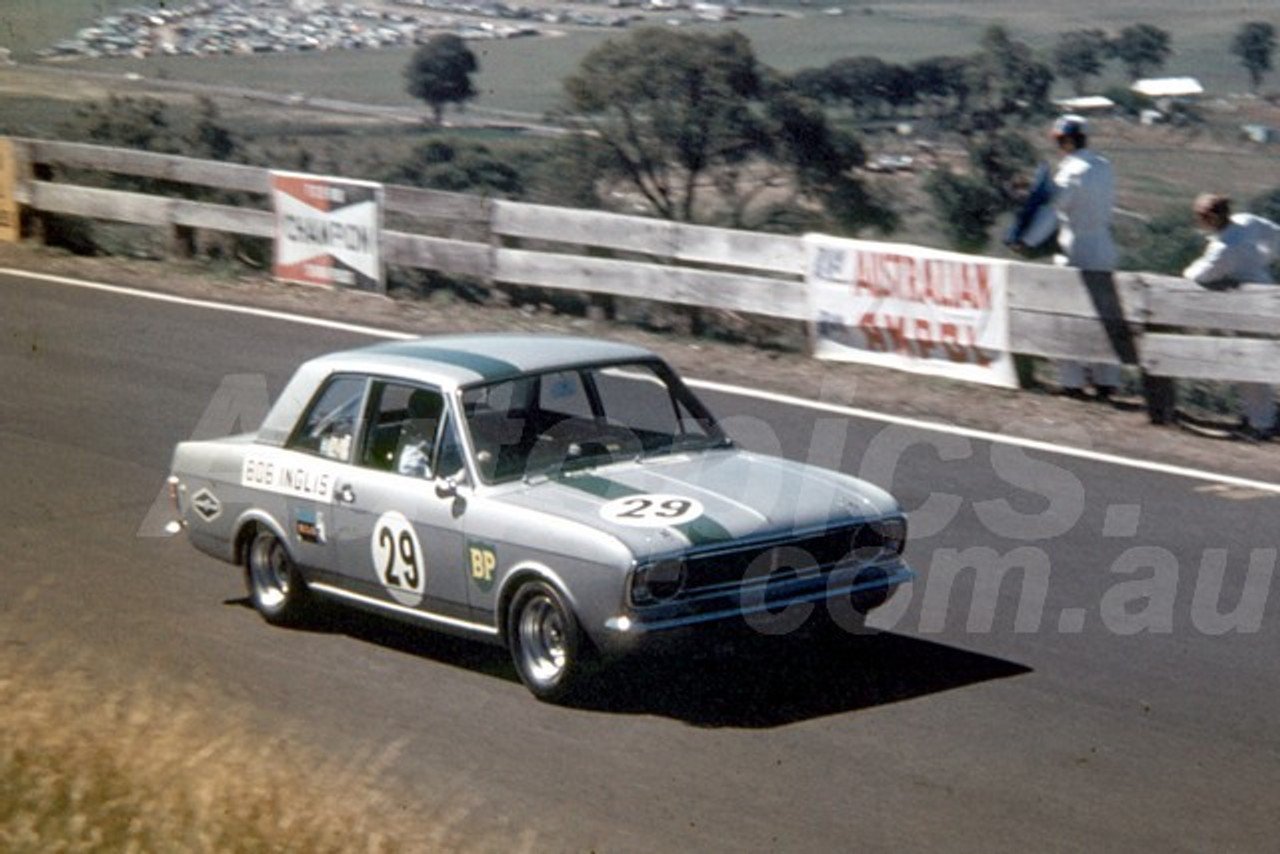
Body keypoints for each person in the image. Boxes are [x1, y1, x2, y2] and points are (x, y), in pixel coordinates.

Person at [1183, 193, 1280, 439]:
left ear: (1212, 217)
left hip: (1248, 308)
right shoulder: (1246, 222)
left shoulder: (1224, 249)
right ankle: (1260, 417)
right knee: (1257, 363)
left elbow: (1199, 276)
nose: (1199, 220)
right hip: (1266, 293)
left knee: (1250, 366)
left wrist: (1187, 270)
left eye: (1201, 216)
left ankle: (1260, 423)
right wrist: (1265, 259)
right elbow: (1276, 235)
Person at [1046, 114, 1122, 401]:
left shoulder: (1069, 171)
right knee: (1106, 315)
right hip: (1104, 243)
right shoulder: (1104, 166)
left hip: (1075, 247)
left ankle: (1072, 380)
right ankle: (1107, 380)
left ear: (1065, 140)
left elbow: (1055, 207)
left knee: (1068, 316)